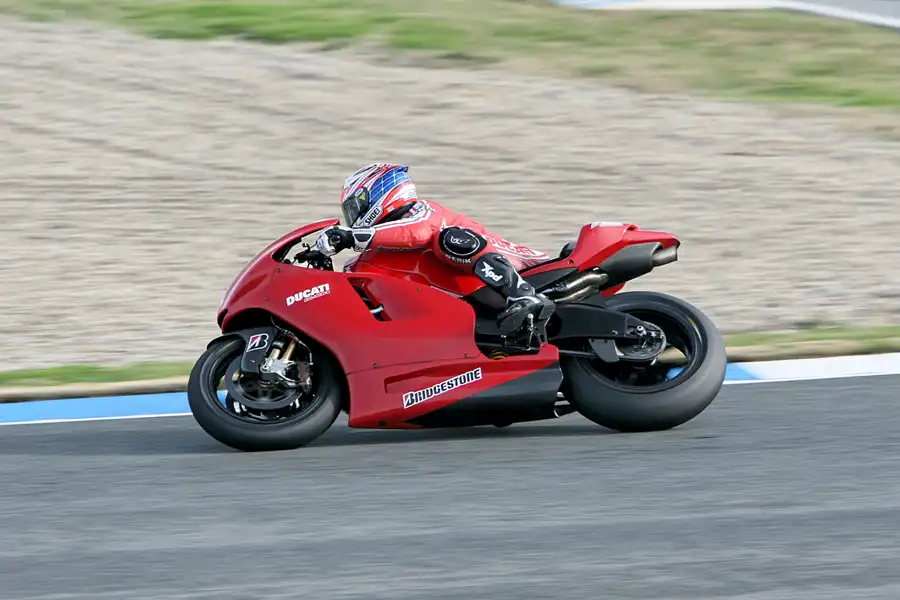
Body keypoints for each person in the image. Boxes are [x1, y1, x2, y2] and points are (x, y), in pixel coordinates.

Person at [315, 163, 555, 338]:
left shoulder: (422, 211)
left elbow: (417, 231)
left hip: (534, 271)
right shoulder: (373, 255)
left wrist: (350, 236)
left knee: (448, 239)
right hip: (470, 308)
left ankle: (522, 295)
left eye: (355, 207)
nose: (353, 217)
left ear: (379, 192)